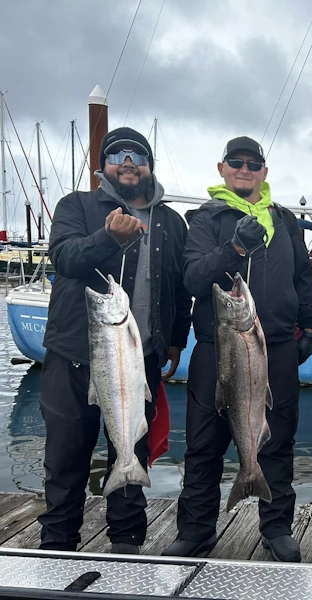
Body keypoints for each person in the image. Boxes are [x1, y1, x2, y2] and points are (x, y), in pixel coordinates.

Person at [163, 136, 312, 561]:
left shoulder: (285, 221)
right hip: (219, 347)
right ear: (222, 168)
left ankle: (276, 527)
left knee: (278, 441)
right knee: (202, 444)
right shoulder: (204, 219)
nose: (245, 170)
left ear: (264, 173)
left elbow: (304, 278)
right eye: (237, 163)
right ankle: (196, 530)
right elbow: (193, 279)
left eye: (254, 164)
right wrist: (233, 247)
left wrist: (311, 326)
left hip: (276, 350)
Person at [38, 127, 192, 554]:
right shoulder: (78, 206)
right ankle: (57, 546)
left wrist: (176, 341)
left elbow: (180, 289)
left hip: (139, 359)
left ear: (149, 166)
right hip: (74, 357)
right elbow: (65, 258)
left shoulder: (170, 222)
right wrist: (109, 237)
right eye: (117, 154)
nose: (127, 161)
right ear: (103, 166)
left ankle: (127, 545)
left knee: (132, 452)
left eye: (137, 155)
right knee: (66, 460)